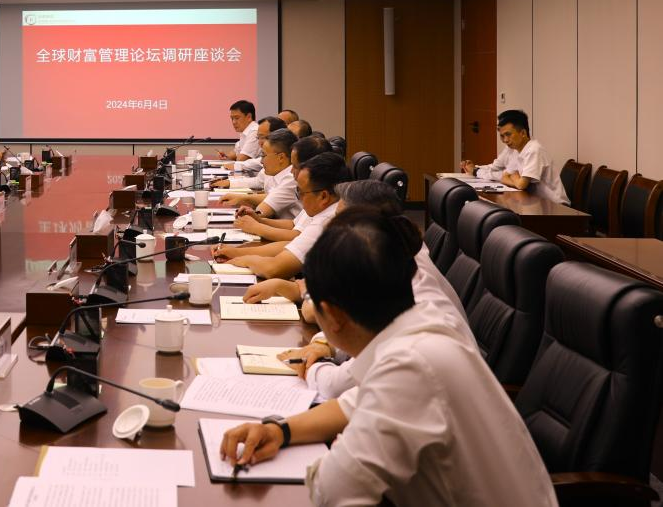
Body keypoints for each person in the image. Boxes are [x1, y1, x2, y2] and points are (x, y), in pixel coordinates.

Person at [220, 208, 555, 506]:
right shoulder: (420, 326)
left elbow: (332, 491)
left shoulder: (410, 366)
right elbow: (351, 405)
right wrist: (279, 431)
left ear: (331, 315)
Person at [253, 181, 471, 400]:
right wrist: (323, 345)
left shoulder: (406, 286)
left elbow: (338, 383)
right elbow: (359, 328)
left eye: (339, 220)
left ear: (363, 228)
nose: (330, 226)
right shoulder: (393, 257)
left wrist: (311, 366)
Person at [216, 151, 348, 277]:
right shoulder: (323, 206)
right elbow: (291, 241)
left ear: (323, 196)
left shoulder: (327, 220)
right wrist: (237, 251)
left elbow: (273, 269)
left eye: (300, 192)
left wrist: (244, 258)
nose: (300, 198)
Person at [460, 109, 567, 204]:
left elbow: (521, 185)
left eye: (508, 134)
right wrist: (515, 178)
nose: (505, 140)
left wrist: (514, 177)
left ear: (523, 133)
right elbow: (504, 177)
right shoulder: (516, 149)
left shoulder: (534, 149)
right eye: (502, 136)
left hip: (556, 207)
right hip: (534, 201)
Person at [219, 130, 300, 220]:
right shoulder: (277, 173)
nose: (261, 161)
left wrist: (243, 199)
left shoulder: (292, 177)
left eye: (264, 155)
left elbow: (262, 210)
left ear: (281, 157)